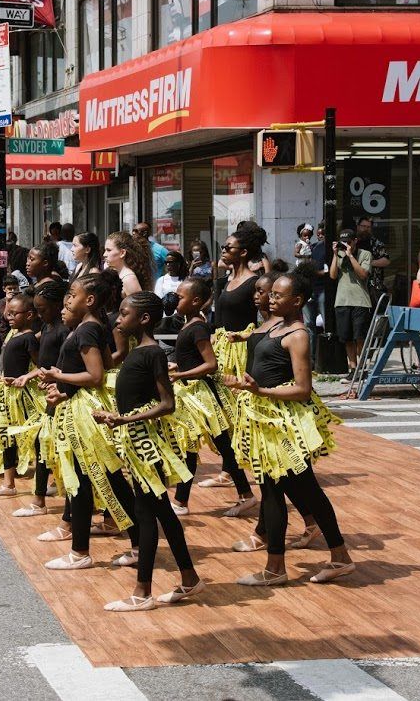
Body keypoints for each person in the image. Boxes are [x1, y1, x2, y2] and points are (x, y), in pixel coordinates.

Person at [226, 271, 353, 587]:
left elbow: (302, 388)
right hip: (264, 420)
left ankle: (283, 568)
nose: (271, 298)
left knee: (296, 490)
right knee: (281, 490)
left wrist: (260, 392)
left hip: (283, 423)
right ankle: (329, 559)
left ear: (297, 301)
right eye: (271, 294)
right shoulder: (273, 324)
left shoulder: (297, 334)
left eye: (278, 295)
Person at [92, 291, 202, 611]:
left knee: (146, 515)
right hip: (135, 440)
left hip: (146, 444)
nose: (118, 319)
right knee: (163, 513)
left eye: (124, 314)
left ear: (143, 319)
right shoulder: (135, 352)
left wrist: (125, 419)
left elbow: (168, 404)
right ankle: (190, 578)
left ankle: (142, 593)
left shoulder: (151, 353)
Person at [38, 273, 139, 569]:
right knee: (95, 480)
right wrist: (63, 389)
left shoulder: (86, 331)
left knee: (89, 482)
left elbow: (96, 375)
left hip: (85, 416)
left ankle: (82, 552)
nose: (68, 299)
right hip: (78, 407)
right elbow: (107, 363)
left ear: (90, 300)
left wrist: (58, 377)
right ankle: (128, 545)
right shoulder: (91, 327)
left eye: (72, 294)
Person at [201, 223, 264, 517]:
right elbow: (219, 320)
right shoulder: (225, 280)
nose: (223, 251)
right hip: (222, 352)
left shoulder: (254, 283)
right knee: (220, 416)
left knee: (232, 417)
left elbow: (269, 323)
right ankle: (230, 472)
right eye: (223, 247)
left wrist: (247, 338)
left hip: (242, 354)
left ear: (244, 252)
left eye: (228, 248)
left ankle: (243, 480)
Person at [167, 277, 234, 516]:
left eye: (180, 297)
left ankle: (245, 495)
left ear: (195, 301)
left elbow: (210, 364)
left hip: (201, 396)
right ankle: (181, 501)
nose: (175, 300)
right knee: (191, 447)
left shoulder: (197, 327)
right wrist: (176, 367)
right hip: (189, 394)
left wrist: (182, 373)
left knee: (220, 444)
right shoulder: (188, 325)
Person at [9, 279, 70, 520]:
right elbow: (44, 365)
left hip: (62, 396)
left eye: (42, 310)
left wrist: (55, 379)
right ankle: (39, 499)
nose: (39, 314)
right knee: (41, 445)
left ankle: (43, 498)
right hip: (50, 393)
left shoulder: (63, 330)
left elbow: (63, 364)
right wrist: (31, 374)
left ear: (56, 306)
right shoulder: (46, 328)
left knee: (49, 446)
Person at [0, 293, 44, 495]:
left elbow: (40, 367)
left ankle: (43, 483)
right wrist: (2, 376)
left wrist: (25, 377)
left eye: (15, 314)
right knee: (6, 436)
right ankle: (8, 484)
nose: (10, 317)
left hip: (23, 397)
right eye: (8, 313)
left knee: (34, 437)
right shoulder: (13, 335)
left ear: (30, 315)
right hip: (8, 394)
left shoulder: (29, 337)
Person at [330, 228, 372, 378]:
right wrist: (336, 254)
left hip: (360, 301)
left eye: (349, 242)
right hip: (342, 301)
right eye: (344, 243)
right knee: (346, 337)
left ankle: (362, 367)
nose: (346, 245)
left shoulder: (365, 254)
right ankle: (353, 368)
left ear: (355, 241)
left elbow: (363, 275)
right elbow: (333, 275)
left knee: (359, 336)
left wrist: (350, 255)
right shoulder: (339, 254)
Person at [105, 230, 154, 297]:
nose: (104, 254)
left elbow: (138, 307)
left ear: (122, 253)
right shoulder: (115, 273)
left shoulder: (129, 279)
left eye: (109, 250)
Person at [354, 216, 390, 299]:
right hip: (355, 286)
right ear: (358, 226)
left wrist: (368, 263)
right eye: (363, 226)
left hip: (373, 286)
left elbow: (386, 260)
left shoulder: (376, 243)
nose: (366, 229)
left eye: (368, 227)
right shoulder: (352, 243)